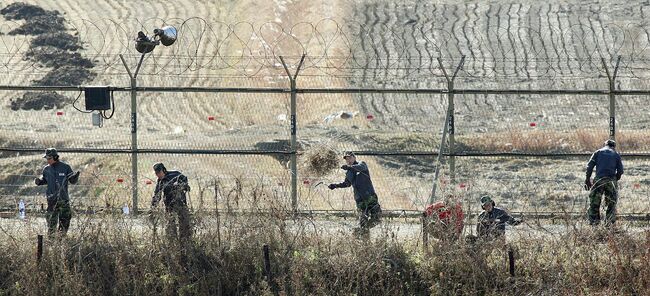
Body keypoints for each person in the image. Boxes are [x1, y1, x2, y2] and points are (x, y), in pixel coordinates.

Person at [328, 152, 381, 237]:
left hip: (370, 196)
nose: (348, 160)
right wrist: (335, 185)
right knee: (363, 220)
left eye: (349, 158)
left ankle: (361, 231)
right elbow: (347, 184)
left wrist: (349, 167)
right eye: (346, 159)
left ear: (354, 157)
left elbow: (360, 167)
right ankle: (364, 238)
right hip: (360, 199)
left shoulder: (362, 164)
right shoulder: (349, 172)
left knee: (377, 218)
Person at [34, 148, 80, 236]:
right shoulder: (46, 169)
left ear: (55, 157)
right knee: (51, 221)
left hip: (63, 199)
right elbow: (44, 180)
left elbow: (72, 181)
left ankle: (61, 238)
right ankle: (51, 240)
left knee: (65, 220)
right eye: (46, 159)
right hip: (51, 199)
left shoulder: (65, 167)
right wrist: (39, 181)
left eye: (49, 158)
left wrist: (75, 177)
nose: (47, 161)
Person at [585, 139, 624, 226]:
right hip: (611, 180)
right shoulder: (616, 154)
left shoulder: (598, 152)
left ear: (604, 145)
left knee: (594, 203)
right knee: (611, 203)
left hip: (599, 180)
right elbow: (620, 171)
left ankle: (594, 224)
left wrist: (587, 179)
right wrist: (614, 179)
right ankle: (609, 225)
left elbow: (589, 166)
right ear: (614, 146)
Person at [151, 163, 192, 241]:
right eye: (156, 173)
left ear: (163, 170)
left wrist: (181, 185)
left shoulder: (176, 175)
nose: (158, 175)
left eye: (159, 173)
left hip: (181, 204)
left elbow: (186, 184)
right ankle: (172, 242)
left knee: (184, 224)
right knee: (170, 225)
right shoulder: (161, 181)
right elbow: (157, 195)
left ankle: (185, 241)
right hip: (169, 206)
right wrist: (153, 206)